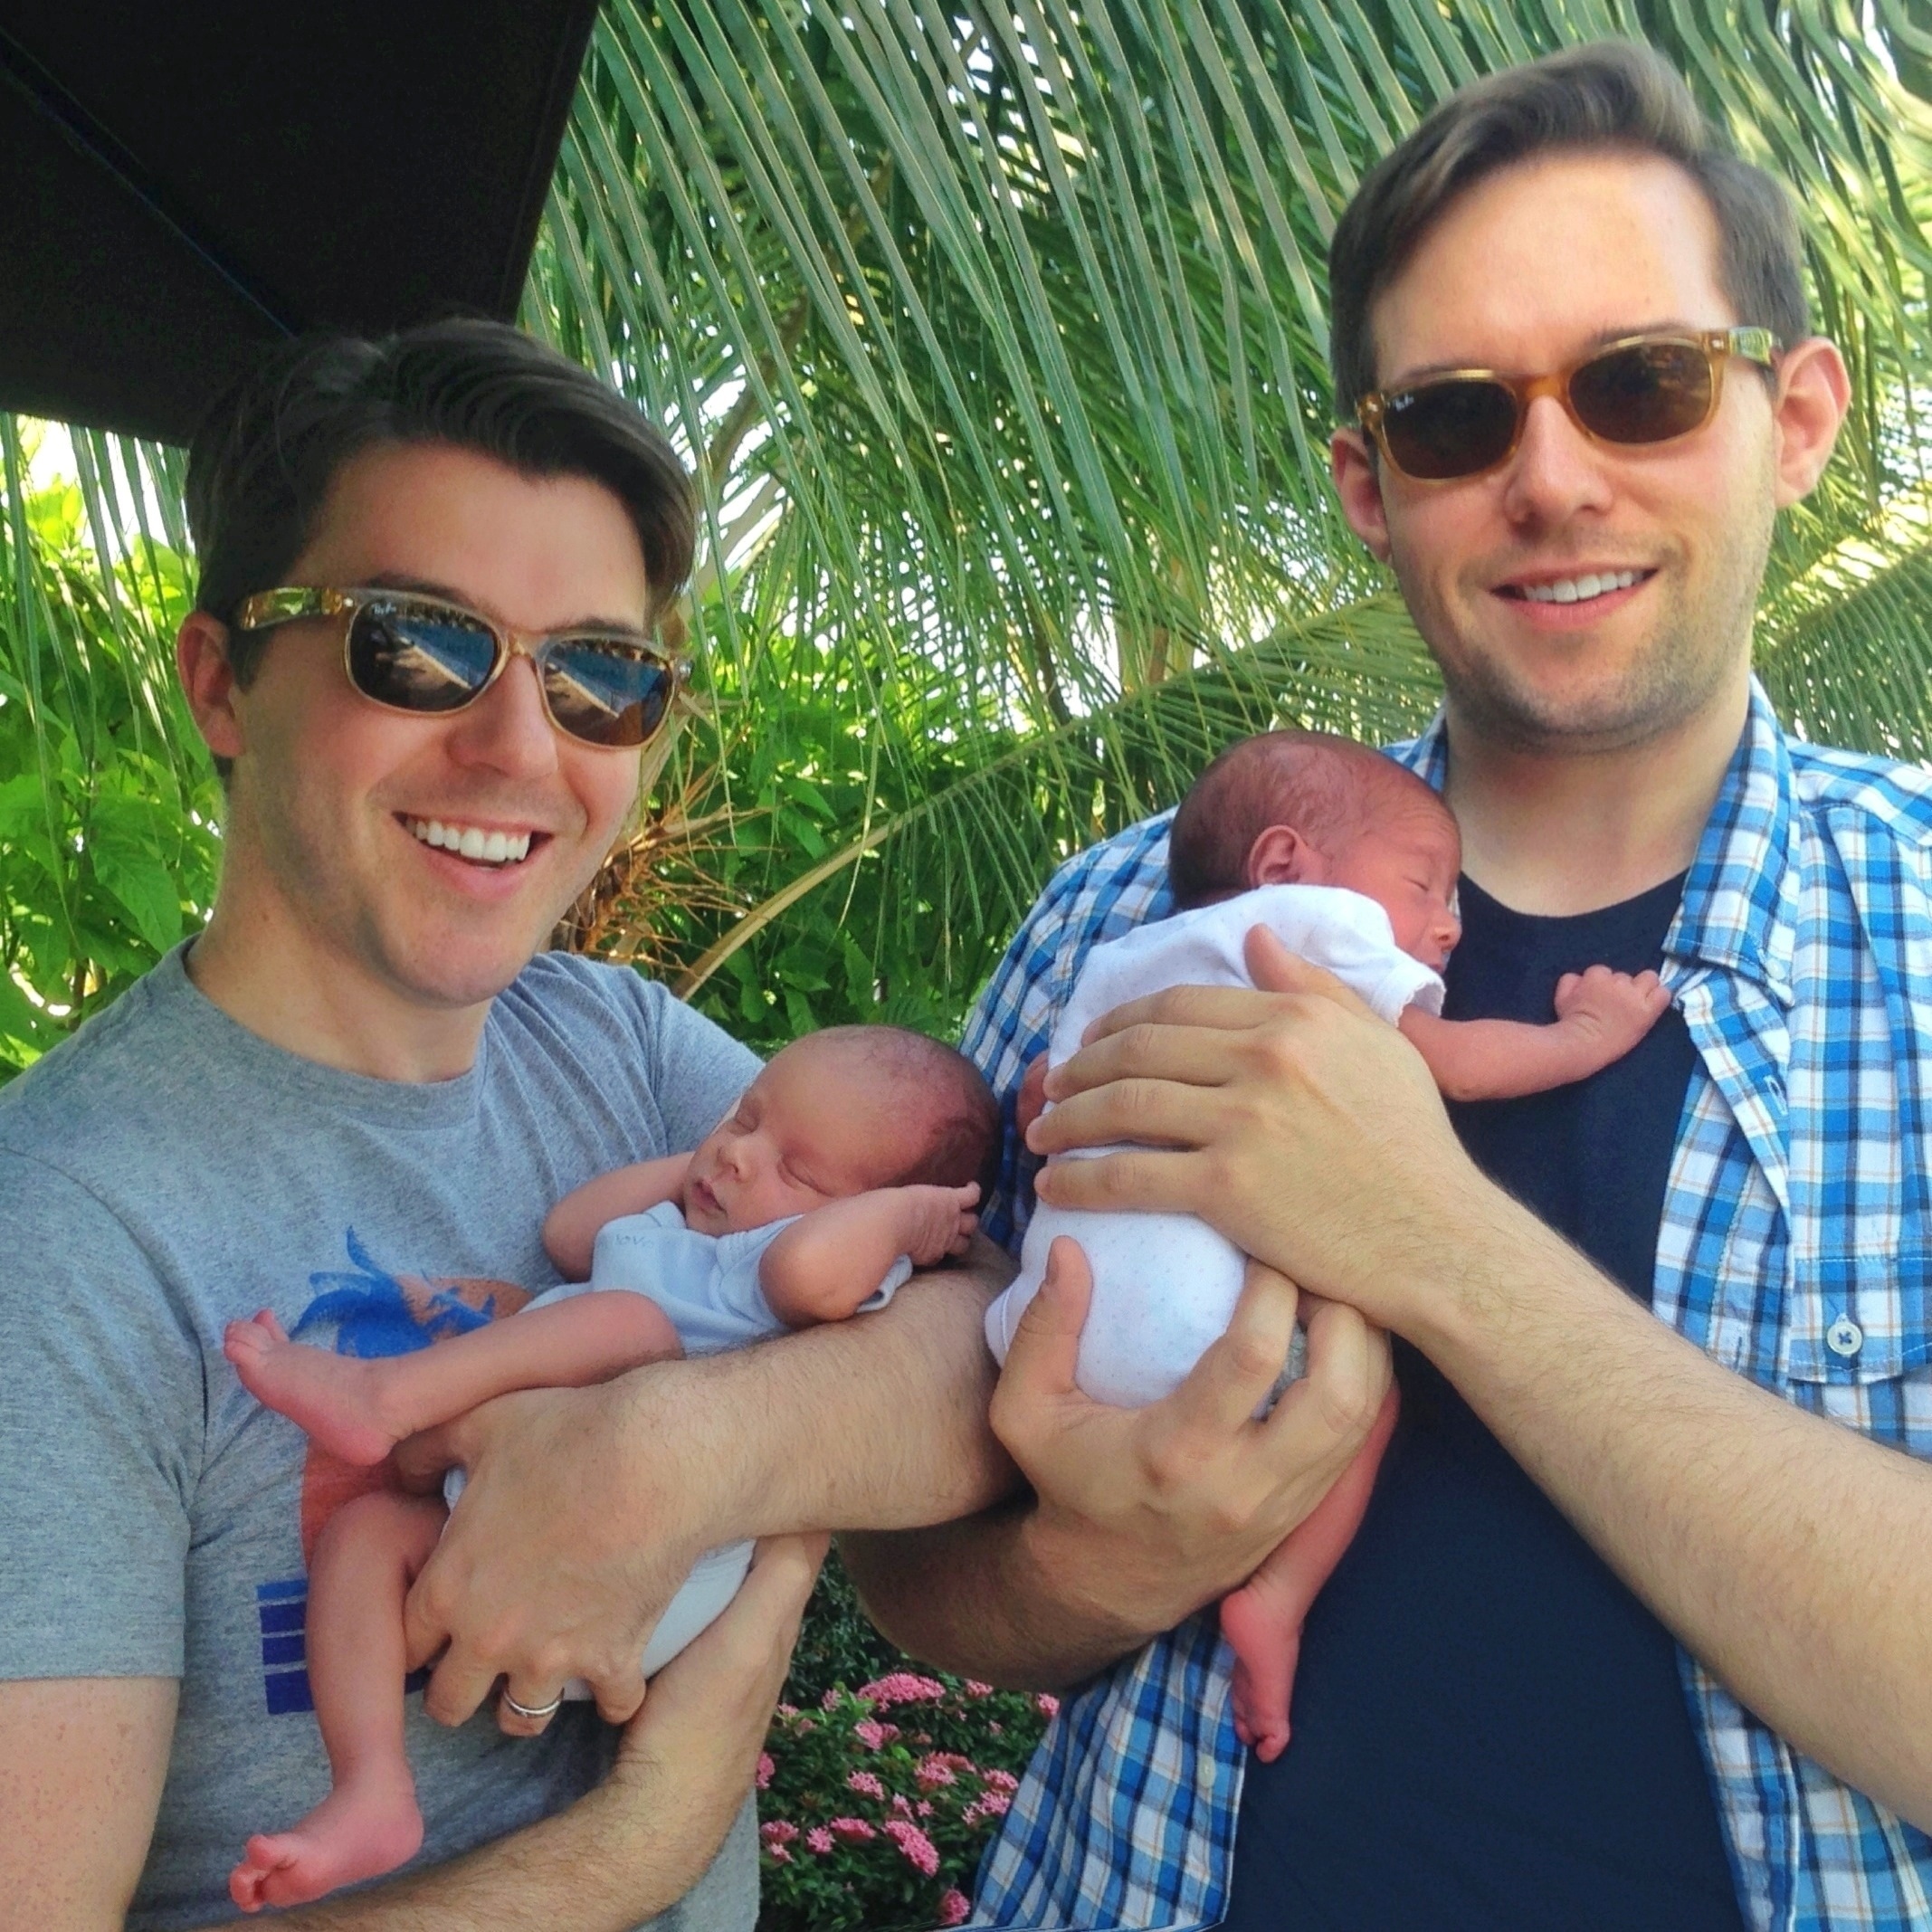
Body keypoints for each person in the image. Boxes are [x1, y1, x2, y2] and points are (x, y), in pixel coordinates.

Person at [842, 43, 1932, 1931]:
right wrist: (1099, 1566)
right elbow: (910, 1566)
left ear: (1797, 418)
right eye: (1451, 420)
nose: (1549, 479)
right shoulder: (1114, 920)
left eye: (1641, 384)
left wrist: (1433, 1240)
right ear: (1366, 481)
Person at [0, 320, 1010, 1932]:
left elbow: (981, 1332)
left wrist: (668, 1458)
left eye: (600, 676)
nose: (520, 748)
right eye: (417, 644)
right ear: (221, 683)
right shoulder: (55, 1240)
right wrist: (637, 1840)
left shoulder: (623, 1051)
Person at [985, 727, 1668, 1759]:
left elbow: (1047, 1095)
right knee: (1363, 1391)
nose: (1449, 923)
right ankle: (1277, 1596)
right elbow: (1451, 1063)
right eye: (1425, 885)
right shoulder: (1314, 923)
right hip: (1204, 1340)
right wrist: (1584, 1035)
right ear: (1280, 862)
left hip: (1048, 1331)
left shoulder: (1118, 957)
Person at [220, 1024, 993, 1911]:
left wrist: (902, 1220)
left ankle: (386, 1394)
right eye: (745, 1116)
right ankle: (370, 1787)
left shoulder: (812, 1267)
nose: (739, 1153)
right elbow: (569, 1229)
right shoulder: (682, 1229)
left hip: (656, 1569)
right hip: (503, 1529)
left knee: (630, 1323)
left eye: (800, 1171)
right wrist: (711, 1163)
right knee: (363, 1535)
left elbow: (808, 1271)